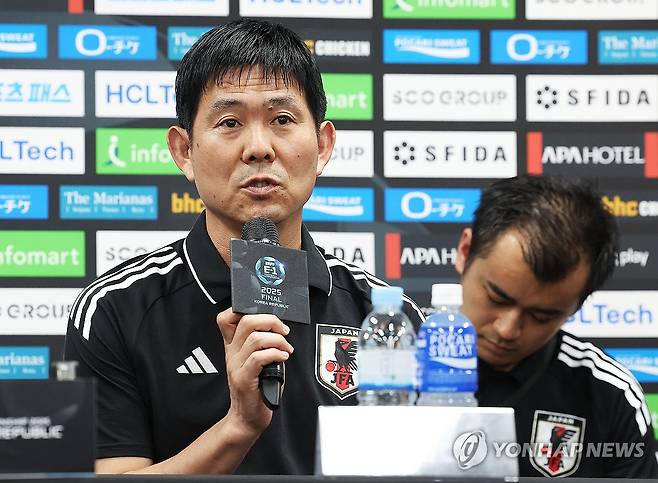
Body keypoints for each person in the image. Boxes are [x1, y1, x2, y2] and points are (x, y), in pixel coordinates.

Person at [64, 19, 424, 475]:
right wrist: (239, 426)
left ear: (323, 145)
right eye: (230, 123)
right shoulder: (116, 309)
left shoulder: (385, 316)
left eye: (282, 120)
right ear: (184, 151)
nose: (258, 148)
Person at [455, 175, 657, 478]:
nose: (507, 329)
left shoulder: (609, 394)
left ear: (576, 306)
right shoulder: (394, 361)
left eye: (541, 316)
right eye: (497, 298)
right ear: (465, 251)